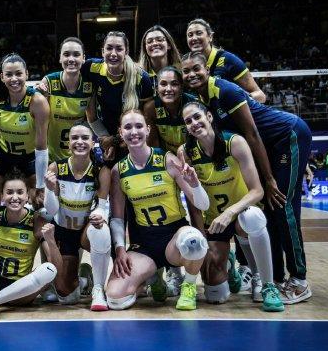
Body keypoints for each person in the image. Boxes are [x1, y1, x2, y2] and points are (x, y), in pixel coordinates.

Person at [180, 51, 312, 304]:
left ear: (207, 69)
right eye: (186, 71)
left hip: (287, 136)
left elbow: (252, 134)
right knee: (269, 213)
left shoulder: (224, 90)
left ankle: (299, 281)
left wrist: (269, 179)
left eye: (196, 68)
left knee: (283, 207)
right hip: (269, 147)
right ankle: (274, 277)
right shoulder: (200, 98)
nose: (191, 74)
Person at [179, 102, 284, 312]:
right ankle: (229, 266)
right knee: (215, 296)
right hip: (212, 222)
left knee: (252, 217)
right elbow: (193, 201)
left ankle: (266, 284)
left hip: (239, 214)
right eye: (188, 121)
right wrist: (202, 237)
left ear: (209, 116)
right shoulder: (186, 151)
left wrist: (230, 212)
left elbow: (257, 191)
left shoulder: (234, 142)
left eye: (197, 117)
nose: (194, 123)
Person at [106, 109, 210, 311]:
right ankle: (152, 280)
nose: (133, 131)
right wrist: (119, 249)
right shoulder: (119, 170)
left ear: (147, 129)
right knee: (115, 298)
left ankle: (187, 285)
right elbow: (117, 218)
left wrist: (195, 184)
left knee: (194, 241)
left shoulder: (167, 160)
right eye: (127, 127)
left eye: (138, 126)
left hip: (174, 238)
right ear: (120, 132)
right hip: (145, 244)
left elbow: (203, 205)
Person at [0, 170, 57, 317]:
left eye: (20, 192)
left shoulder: (36, 220)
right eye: (9, 192)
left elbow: (57, 267)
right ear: (1, 196)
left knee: (49, 269)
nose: (14, 197)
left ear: (27, 197)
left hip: (20, 291)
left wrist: (51, 241)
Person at [41, 123, 111, 310]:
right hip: (65, 231)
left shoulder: (101, 170)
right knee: (66, 296)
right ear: (68, 142)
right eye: (75, 138)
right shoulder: (56, 167)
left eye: (85, 138)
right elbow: (52, 210)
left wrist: (99, 215)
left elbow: (102, 206)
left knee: (101, 229)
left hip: (86, 230)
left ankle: (98, 288)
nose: (79, 142)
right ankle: (84, 278)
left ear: (93, 141)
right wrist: (49, 190)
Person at [142, 66, 198, 296]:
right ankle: (173, 270)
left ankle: (207, 252)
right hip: (169, 167)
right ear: (156, 87)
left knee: (199, 210)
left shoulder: (193, 104)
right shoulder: (151, 108)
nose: (168, 88)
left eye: (174, 83)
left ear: (181, 86)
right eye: (163, 84)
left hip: (196, 165)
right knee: (170, 215)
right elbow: (154, 147)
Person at [0, 53, 50, 212]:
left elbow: (41, 147)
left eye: (19, 73)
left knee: (41, 206)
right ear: (2, 76)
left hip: (30, 156)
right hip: (2, 153)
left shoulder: (37, 101)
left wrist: (40, 185)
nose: (14, 79)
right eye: (9, 74)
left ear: (27, 74)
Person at [81, 31, 154, 164]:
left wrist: (116, 140)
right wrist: (107, 139)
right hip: (104, 135)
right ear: (103, 51)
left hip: (134, 136)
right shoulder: (90, 68)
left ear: (126, 52)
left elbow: (146, 120)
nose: (113, 53)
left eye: (119, 49)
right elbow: (91, 117)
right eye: (109, 48)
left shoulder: (142, 78)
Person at [37, 37, 95, 162]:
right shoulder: (49, 82)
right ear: (60, 58)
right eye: (66, 54)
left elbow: (93, 120)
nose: (71, 59)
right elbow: (40, 122)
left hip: (78, 156)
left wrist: (106, 137)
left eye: (76, 55)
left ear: (83, 58)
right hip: (50, 156)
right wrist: (43, 97)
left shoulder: (89, 86)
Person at [185, 18, 266, 103]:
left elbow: (260, 96)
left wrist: (235, 101)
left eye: (199, 33)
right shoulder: (187, 67)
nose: (194, 38)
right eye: (190, 35)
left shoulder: (229, 60)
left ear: (210, 37)